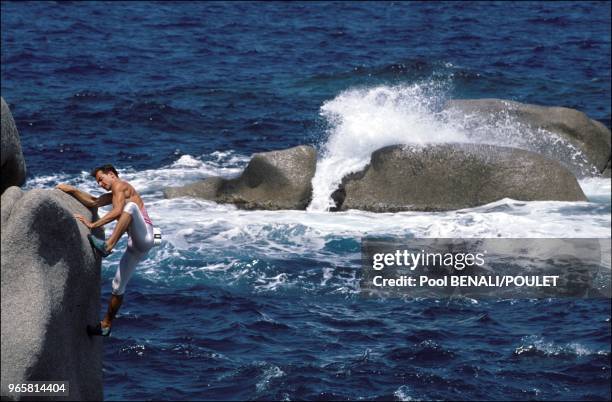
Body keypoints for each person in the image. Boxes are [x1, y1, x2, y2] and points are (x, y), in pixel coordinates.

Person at [56, 164, 155, 337]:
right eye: (97, 182)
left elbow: (118, 211)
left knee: (130, 207)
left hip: (145, 237)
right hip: (136, 246)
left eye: (101, 179)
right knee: (117, 287)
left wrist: (93, 225)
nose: (100, 184)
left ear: (112, 174)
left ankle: (107, 246)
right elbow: (94, 202)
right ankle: (106, 325)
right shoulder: (115, 193)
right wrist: (72, 190)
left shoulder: (121, 185)